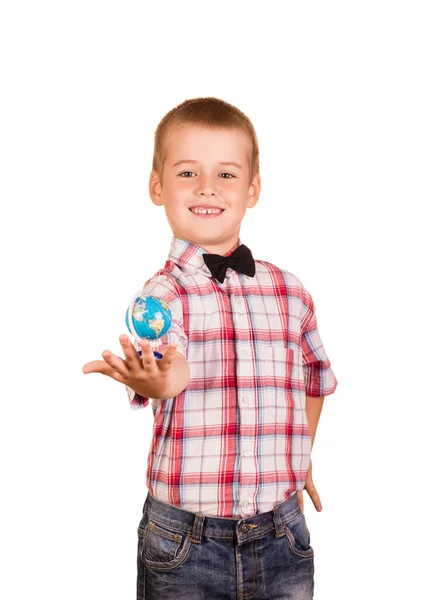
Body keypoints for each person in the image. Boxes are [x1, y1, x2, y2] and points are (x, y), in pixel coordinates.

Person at [82, 97, 338, 600]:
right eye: (187, 173)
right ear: (157, 187)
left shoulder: (290, 291)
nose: (206, 187)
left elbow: (315, 377)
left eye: (225, 174)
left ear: (252, 188)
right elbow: (170, 364)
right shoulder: (160, 297)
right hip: (184, 544)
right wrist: (154, 379)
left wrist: (300, 455)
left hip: (283, 534)